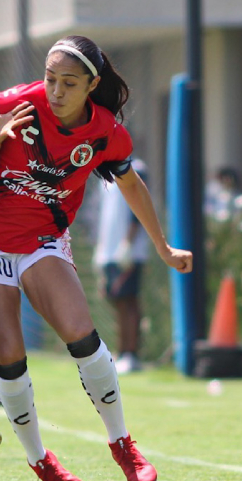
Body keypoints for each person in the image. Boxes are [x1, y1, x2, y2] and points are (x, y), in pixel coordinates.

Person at [0, 35, 193, 481]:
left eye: (69, 83)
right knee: (11, 356)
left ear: (92, 85)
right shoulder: (11, 105)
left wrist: (162, 247)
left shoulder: (106, 133)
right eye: (50, 78)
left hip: (42, 241)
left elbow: (131, 185)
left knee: (82, 333)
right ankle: (42, 461)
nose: (55, 91)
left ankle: (122, 443)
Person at [93, 157, 151, 374]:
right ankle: (122, 350)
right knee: (117, 302)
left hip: (129, 250)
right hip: (108, 250)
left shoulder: (138, 168)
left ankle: (132, 353)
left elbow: (139, 203)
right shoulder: (102, 175)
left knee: (129, 301)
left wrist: (128, 242)